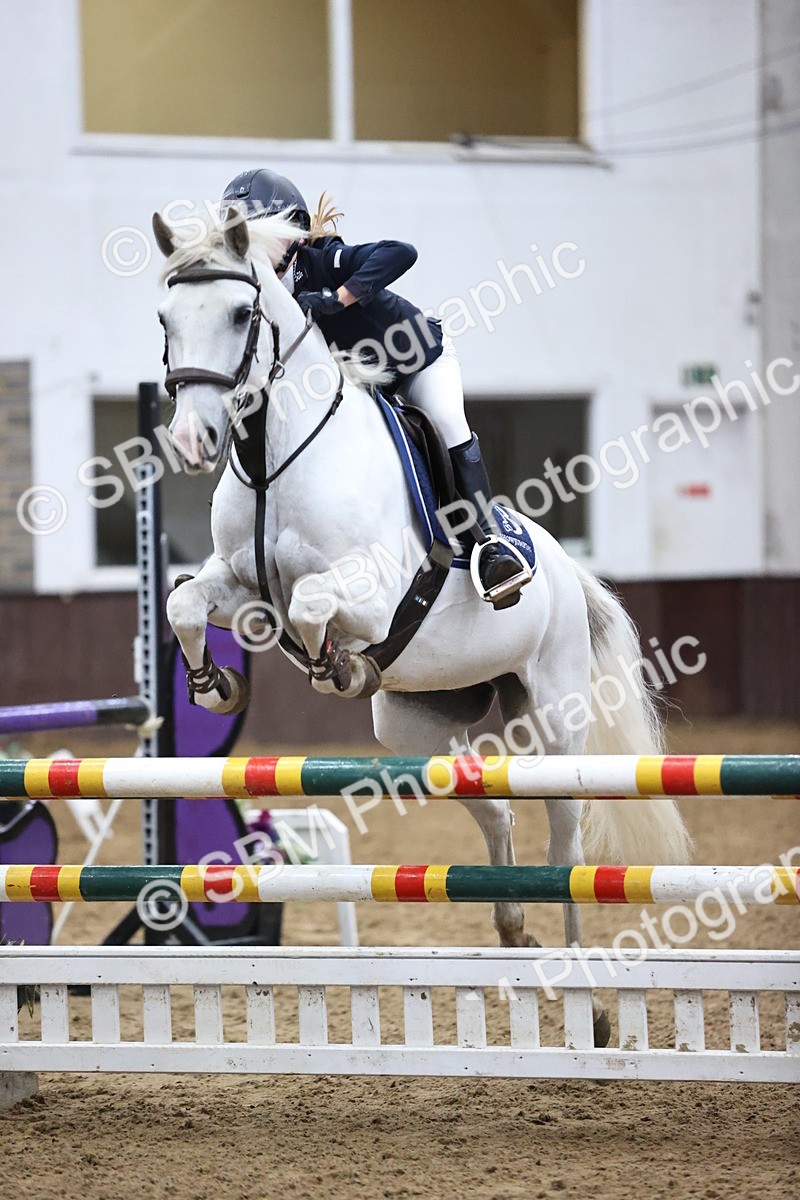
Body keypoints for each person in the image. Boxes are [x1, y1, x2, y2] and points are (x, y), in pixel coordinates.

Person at [219, 167, 532, 608]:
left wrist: (335, 299)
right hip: (361, 384)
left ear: (290, 235)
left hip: (415, 361)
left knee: (447, 423)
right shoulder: (257, 292)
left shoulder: (322, 260)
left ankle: (493, 545)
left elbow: (401, 252)